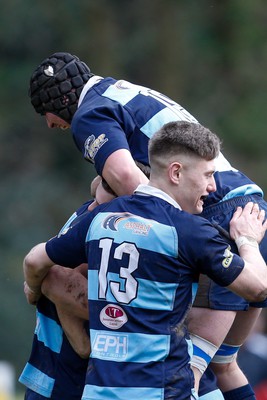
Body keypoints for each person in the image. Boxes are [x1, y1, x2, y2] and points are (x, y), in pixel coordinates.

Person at [29, 52, 267, 399]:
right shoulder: (119, 91)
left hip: (220, 217)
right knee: (223, 365)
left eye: (46, 115)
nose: (50, 125)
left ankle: (76, 325)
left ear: (60, 102)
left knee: (192, 371)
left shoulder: (88, 114)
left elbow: (127, 178)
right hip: (246, 206)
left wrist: (162, 228)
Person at [19, 177, 103, 400]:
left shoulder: (96, 213)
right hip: (63, 375)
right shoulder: (97, 217)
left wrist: (35, 287)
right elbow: (53, 276)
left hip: (63, 373)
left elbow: (49, 275)